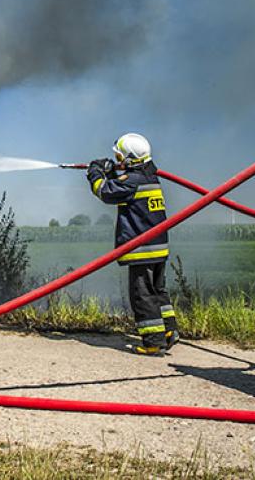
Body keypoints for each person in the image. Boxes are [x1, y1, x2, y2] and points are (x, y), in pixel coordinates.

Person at [86, 133, 179, 355]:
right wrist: (112, 173)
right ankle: (169, 331)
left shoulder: (132, 183)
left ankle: (154, 341)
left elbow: (105, 191)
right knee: (158, 290)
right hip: (158, 248)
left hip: (141, 250)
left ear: (129, 160)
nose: (117, 160)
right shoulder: (150, 178)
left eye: (119, 157)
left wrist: (95, 173)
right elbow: (121, 185)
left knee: (142, 294)